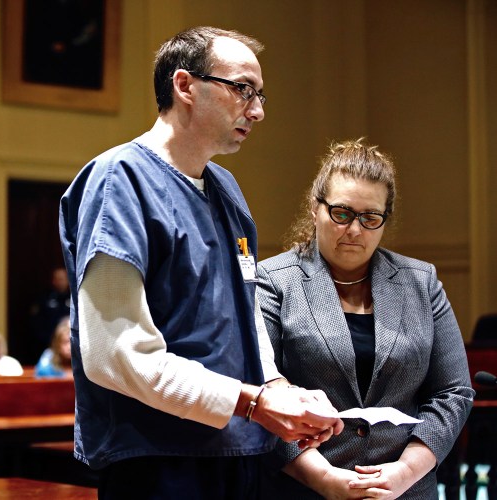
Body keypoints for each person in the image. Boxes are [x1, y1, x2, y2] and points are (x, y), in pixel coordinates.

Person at [59, 26, 344, 499]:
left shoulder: (226, 188)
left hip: (239, 448)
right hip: (158, 461)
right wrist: (253, 402)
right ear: (185, 85)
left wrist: (277, 388)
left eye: (260, 95)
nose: (257, 110)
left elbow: (245, 312)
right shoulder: (118, 180)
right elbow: (115, 356)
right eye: (242, 90)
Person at [256, 139, 475, 498]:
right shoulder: (275, 281)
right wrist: (322, 478)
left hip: (407, 490)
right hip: (305, 489)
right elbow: (261, 392)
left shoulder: (421, 282)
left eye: (370, 218)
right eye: (341, 213)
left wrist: (405, 471)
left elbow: (454, 392)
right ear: (316, 208)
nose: (355, 230)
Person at [28, 266, 71, 362]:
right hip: (47, 344)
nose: (60, 282)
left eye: (62, 279)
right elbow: (37, 324)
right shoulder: (44, 299)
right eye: (57, 279)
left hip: (70, 343)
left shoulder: (75, 299)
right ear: (53, 281)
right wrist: (51, 341)